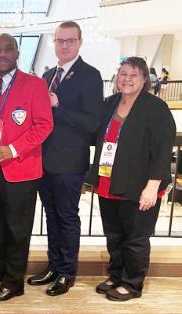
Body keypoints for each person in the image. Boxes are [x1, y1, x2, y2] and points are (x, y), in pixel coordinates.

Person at [88, 57, 175, 301]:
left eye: (133, 75)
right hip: (109, 181)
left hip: (140, 185)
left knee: (136, 237)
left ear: (145, 79)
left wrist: (153, 185)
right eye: (123, 73)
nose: (126, 79)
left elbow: (162, 148)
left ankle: (132, 282)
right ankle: (116, 274)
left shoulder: (155, 107)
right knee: (114, 234)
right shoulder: (110, 103)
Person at [0, 34, 53, 301]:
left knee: (17, 229)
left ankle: (14, 281)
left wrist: (14, 149)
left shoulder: (35, 84)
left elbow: (44, 125)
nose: (3, 54)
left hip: (20, 169)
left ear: (17, 53)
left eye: (8, 49)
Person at [27, 21, 104, 296]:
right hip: (43, 161)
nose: (64, 45)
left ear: (80, 42)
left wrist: (58, 106)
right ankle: (53, 266)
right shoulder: (47, 75)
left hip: (70, 163)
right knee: (51, 216)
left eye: (70, 40)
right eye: (60, 40)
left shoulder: (90, 76)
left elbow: (93, 123)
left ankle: (67, 272)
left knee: (67, 216)